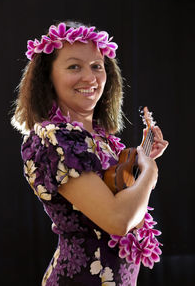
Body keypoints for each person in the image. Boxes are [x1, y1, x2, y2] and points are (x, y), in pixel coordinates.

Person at [11, 21, 168, 286]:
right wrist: (150, 173)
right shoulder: (54, 138)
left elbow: (123, 197)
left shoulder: (101, 140)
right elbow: (119, 220)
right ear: (48, 76)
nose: (90, 77)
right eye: (74, 66)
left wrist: (142, 160)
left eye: (97, 66)